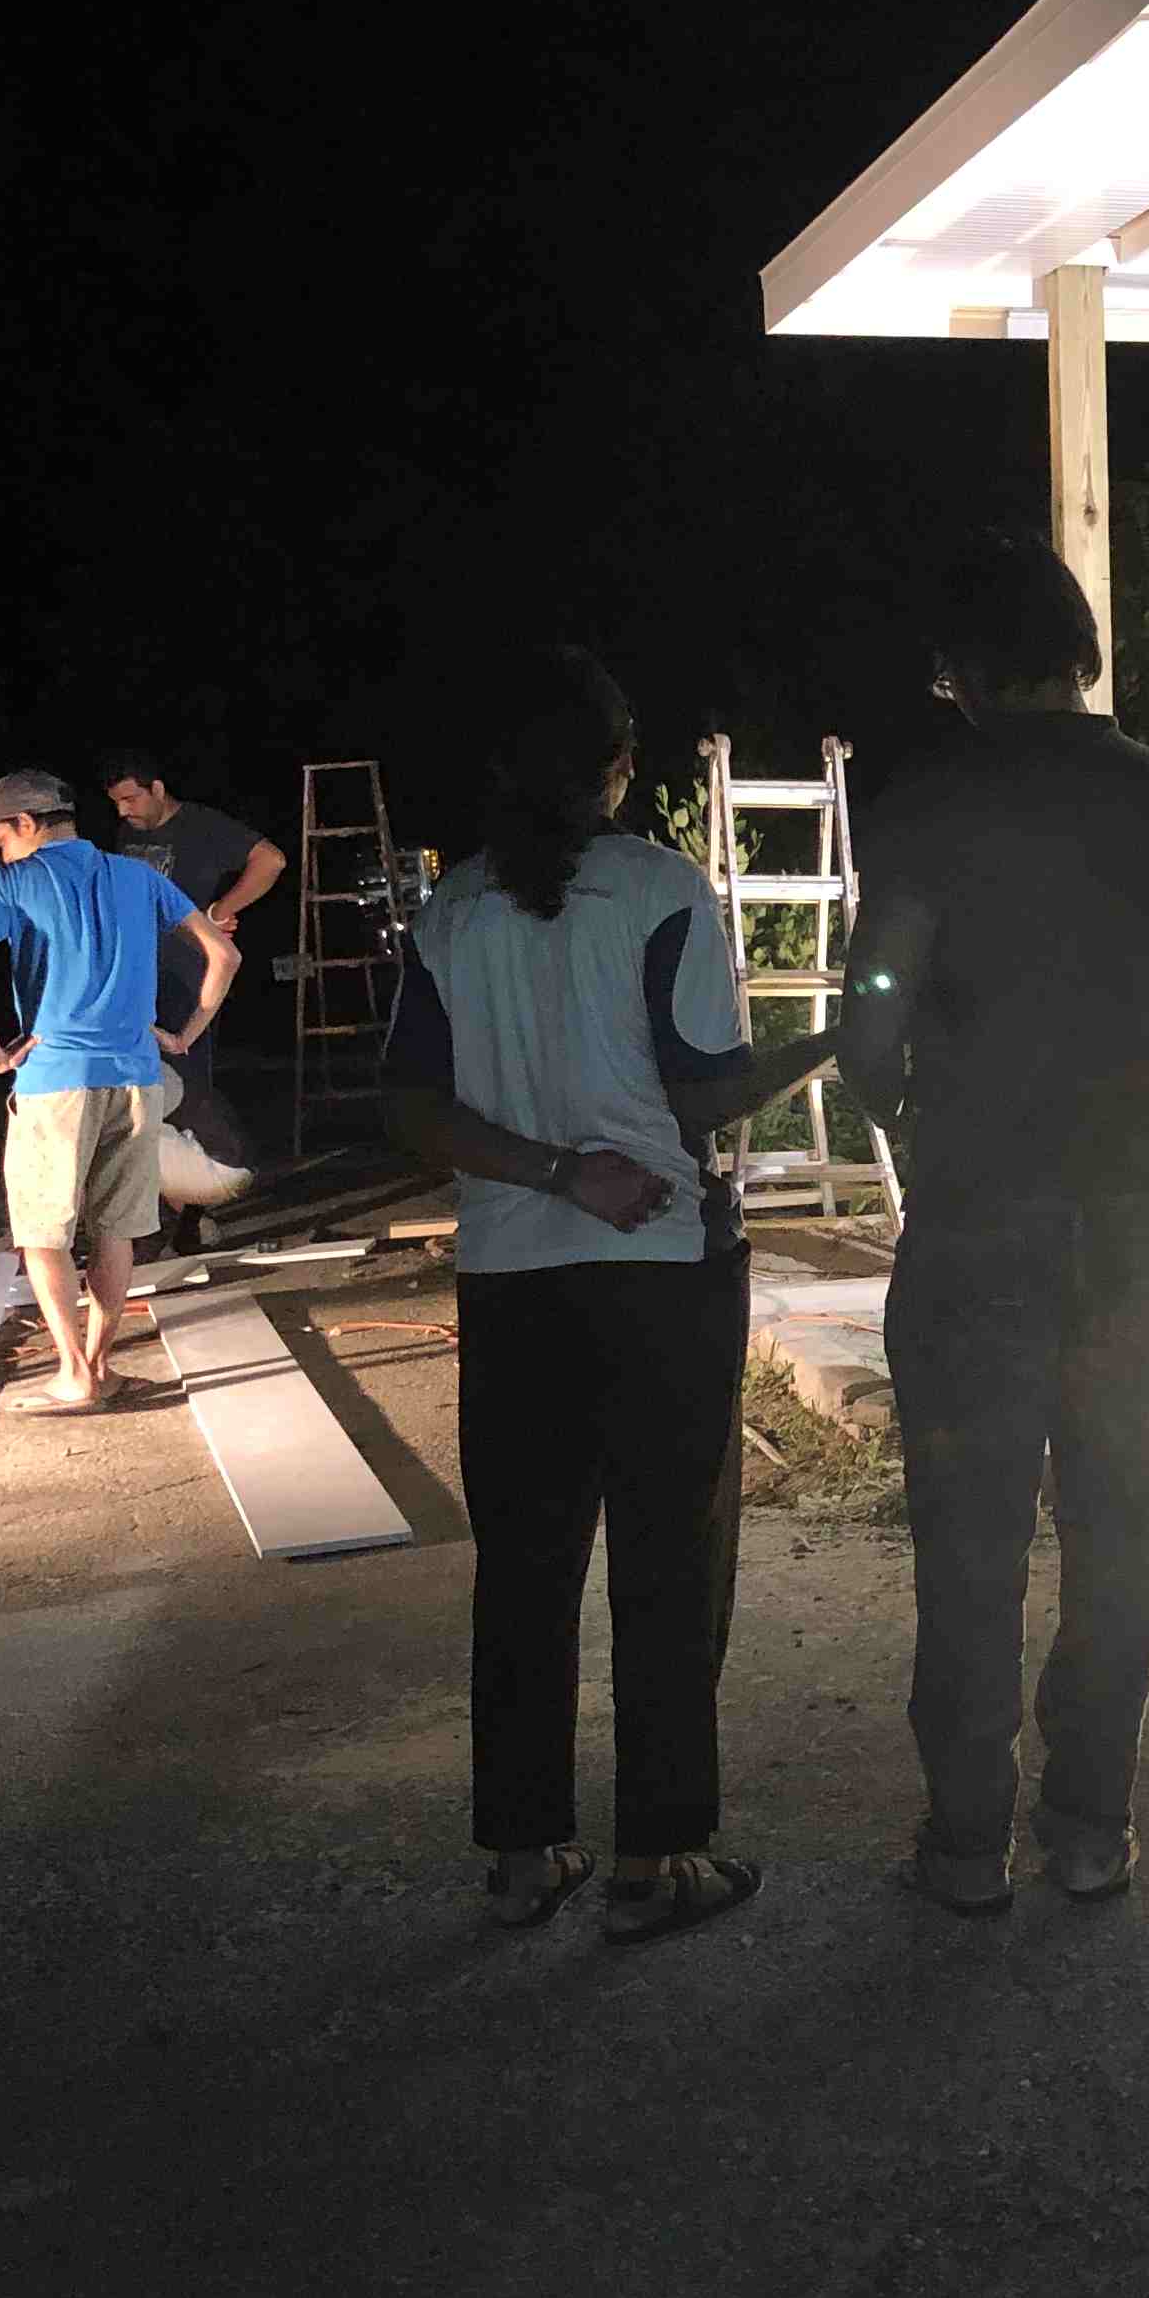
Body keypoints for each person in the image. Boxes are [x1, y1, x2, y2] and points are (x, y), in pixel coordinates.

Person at [842, 544, 1149, 1916]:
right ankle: (1090, 1830)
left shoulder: (930, 804)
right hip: (1133, 1216)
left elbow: (870, 1026)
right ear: (1077, 652)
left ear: (962, 671)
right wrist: (1126, 1034)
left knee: (969, 1535)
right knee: (1119, 1527)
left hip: (979, 1213)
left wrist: (920, 1085)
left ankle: (968, 1842)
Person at [381, 648, 833, 1939]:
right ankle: (655, 1861)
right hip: (658, 1272)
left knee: (523, 1571)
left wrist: (547, 1172)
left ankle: (527, 1855)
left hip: (510, 1280)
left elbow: (410, 1108)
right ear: (620, 767)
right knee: (668, 1563)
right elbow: (703, 1094)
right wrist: (826, 1045)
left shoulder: (454, 908)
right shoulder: (659, 890)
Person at [0, 769, 239, 1410]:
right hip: (136, 1077)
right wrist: (185, 1033)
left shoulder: (12, 884)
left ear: (26, 824)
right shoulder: (138, 877)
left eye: (0, 838)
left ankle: (75, 1373)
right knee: (116, 1230)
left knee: (42, 1232)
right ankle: (101, 1366)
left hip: (56, 1082)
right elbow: (225, 955)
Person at [100, 752, 286, 1198]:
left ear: (158, 789)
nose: (123, 811)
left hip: (185, 982)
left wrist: (220, 910)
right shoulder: (129, 832)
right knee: (141, 1092)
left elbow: (271, 860)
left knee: (185, 1088)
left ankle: (209, 1189)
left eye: (130, 798)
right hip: (136, 981)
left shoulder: (201, 826)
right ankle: (168, 1201)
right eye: (116, 802)